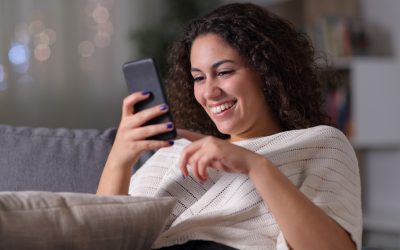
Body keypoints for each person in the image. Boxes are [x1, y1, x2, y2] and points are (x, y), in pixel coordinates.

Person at [97, 3, 362, 250]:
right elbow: (103, 237)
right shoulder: (175, 152)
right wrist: (120, 159)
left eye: (224, 72)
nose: (209, 92)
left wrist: (255, 165)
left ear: (267, 72)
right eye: (198, 78)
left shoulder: (321, 144)